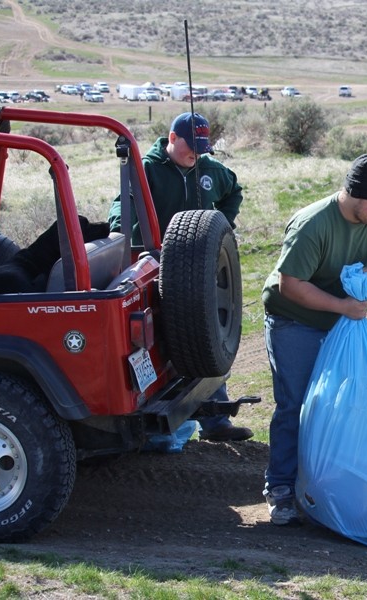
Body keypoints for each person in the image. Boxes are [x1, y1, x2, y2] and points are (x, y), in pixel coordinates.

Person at [261, 153, 367, 525]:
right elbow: (289, 285)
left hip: (341, 322)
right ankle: (280, 488)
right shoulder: (314, 224)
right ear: (356, 193)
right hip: (295, 319)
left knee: (344, 403)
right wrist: (342, 305)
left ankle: (329, 485)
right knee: (296, 403)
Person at [107, 112, 251, 442]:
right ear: (172, 139)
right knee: (160, 338)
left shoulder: (210, 170)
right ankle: (159, 425)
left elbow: (235, 190)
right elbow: (122, 204)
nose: (196, 155)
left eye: (202, 148)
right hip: (157, 264)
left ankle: (215, 424)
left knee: (207, 336)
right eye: (191, 147)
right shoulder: (148, 169)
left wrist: (221, 226)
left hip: (200, 268)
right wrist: (127, 235)